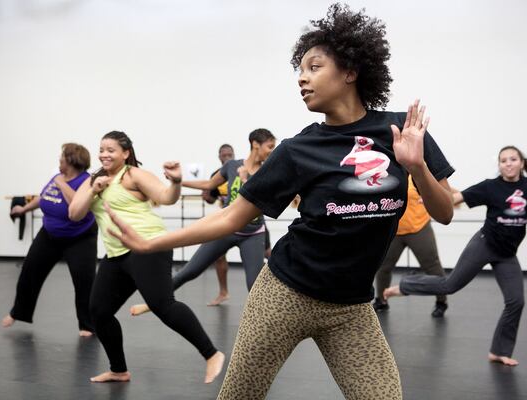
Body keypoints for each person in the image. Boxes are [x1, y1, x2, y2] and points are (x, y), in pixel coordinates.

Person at [104, 4, 454, 399]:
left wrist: (417, 166)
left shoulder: (400, 133)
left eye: (314, 67)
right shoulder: (297, 150)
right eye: (299, 70)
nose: (302, 78)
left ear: (351, 72)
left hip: (351, 307)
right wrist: (155, 242)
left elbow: (442, 213)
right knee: (240, 395)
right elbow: (231, 218)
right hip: (285, 294)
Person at [68, 131, 224, 383]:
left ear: (125, 153)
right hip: (117, 253)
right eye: (102, 149)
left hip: (148, 245)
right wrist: (93, 190)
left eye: (111, 150)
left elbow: (166, 198)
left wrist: (175, 182)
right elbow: (74, 214)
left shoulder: (133, 175)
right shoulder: (93, 180)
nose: (105, 154)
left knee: (163, 305)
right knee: (99, 311)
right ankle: (119, 370)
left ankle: (212, 354)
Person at [385, 146, 527, 366]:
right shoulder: (491, 186)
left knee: (516, 302)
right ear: (499, 165)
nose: (508, 163)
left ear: (521, 162)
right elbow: (457, 197)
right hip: (484, 244)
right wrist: (430, 197)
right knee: (450, 285)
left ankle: (499, 351)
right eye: (503, 160)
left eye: (513, 159)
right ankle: (407, 285)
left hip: (507, 253)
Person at [130, 129, 276, 316]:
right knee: (190, 271)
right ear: (255, 144)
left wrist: (245, 178)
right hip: (227, 229)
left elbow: (262, 198)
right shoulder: (232, 166)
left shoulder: (268, 170)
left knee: (253, 285)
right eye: (269, 146)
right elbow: (209, 185)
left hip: (253, 234)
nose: (272, 151)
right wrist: (180, 182)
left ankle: (265, 324)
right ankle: (153, 302)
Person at [2, 143, 97, 337]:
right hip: (50, 235)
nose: (59, 160)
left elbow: (76, 205)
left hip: (79, 238)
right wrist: (24, 209)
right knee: (30, 272)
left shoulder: (85, 181)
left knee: (84, 282)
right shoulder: (56, 176)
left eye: (62, 157)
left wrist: (62, 183)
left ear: (70, 161)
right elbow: (44, 197)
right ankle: (18, 312)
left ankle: (87, 325)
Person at [373, 176, 448, 317]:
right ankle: (381, 300)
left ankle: (441, 302)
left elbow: (444, 191)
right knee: (383, 267)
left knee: (432, 266)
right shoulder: (385, 173)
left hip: (418, 227)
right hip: (394, 230)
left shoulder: (417, 172)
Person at [200, 143, 235, 306]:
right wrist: (207, 196)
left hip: (249, 222)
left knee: (268, 253)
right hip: (226, 220)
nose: (227, 157)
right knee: (219, 256)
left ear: (234, 155)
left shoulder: (242, 169)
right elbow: (212, 198)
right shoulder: (217, 175)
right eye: (224, 155)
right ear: (219, 157)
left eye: (230, 154)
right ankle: (223, 292)